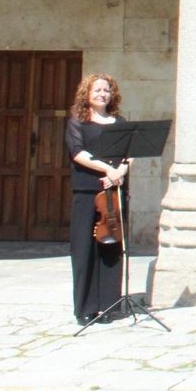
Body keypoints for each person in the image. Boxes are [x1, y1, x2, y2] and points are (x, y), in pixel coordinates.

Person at [65, 74, 129, 325]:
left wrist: (120, 172)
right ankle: (85, 308)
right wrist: (108, 170)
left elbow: (130, 152)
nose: (103, 94)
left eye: (107, 90)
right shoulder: (78, 121)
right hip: (87, 191)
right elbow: (78, 153)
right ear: (87, 93)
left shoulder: (119, 122)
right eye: (97, 90)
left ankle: (108, 305)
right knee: (84, 248)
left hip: (113, 192)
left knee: (111, 247)